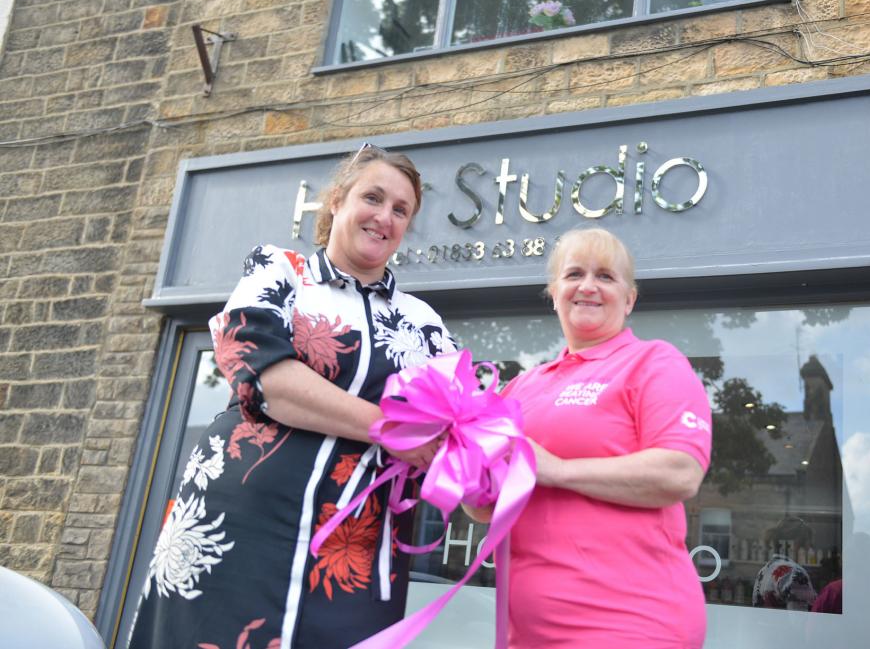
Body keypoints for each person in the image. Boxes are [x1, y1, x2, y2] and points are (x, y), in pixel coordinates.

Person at [127, 145, 452, 649]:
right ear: (337, 202)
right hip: (235, 529)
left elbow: (459, 427)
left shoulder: (424, 323)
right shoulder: (280, 271)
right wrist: (391, 429)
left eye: (401, 209)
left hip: (354, 557)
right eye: (373, 197)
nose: (384, 217)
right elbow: (266, 379)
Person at [470, 227, 713, 648]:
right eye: (574, 274)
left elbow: (680, 473)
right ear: (554, 292)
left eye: (605, 276)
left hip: (631, 625)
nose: (588, 286)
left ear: (630, 298)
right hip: (524, 634)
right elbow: (483, 509)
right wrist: (461, 465)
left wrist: (558, 469)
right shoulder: (520, 388)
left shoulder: (652, 361)